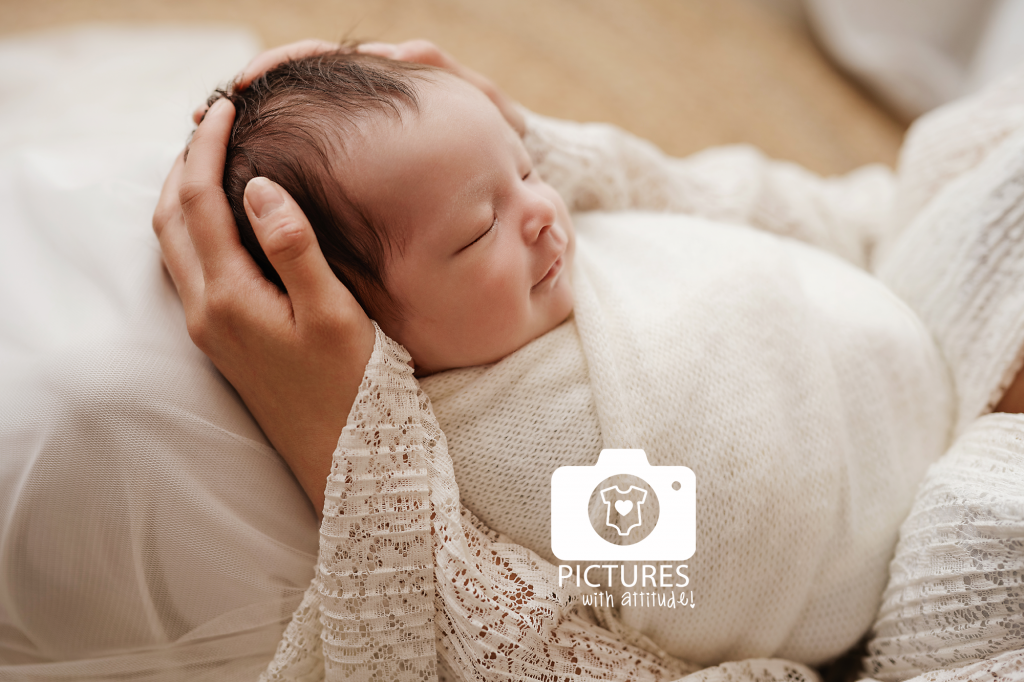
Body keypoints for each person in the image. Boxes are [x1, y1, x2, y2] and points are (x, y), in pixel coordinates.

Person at [154, 40, 1024, 680]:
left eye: (529, 171)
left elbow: (744, 236)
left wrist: (492, 172)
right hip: (849, 559)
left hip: (887, 369)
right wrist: (357, 437)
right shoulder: (480, 456)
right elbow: (514, 647)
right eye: (479, 228)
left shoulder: (564, 254)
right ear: (362, 326)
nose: (542, 211)